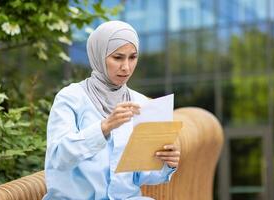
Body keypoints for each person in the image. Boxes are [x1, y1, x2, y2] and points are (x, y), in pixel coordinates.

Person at [43, 20, 180, 200]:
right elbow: (58, 157)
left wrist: (166, 163)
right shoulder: (70, 97)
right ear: (99, 55)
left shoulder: (141, 103)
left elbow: (140, 175)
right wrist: (104, 127)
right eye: (118, 57)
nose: (126, 67)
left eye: (132, 57)